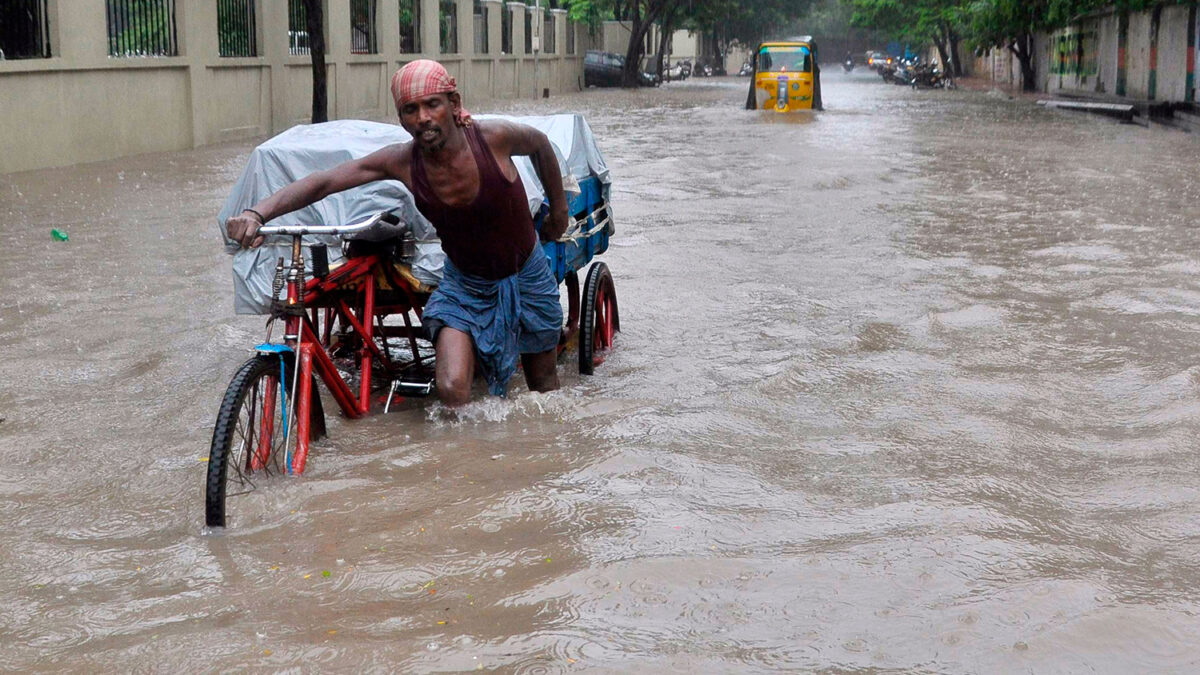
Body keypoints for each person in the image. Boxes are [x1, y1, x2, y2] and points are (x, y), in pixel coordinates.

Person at [226, 60, 569, 406]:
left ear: (453, 104)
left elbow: (540, 145)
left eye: (432, 104)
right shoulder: (403, 161)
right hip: (465, 285)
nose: (422, 118)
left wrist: (559, 212)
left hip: (525, 273)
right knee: (451, 390)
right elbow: (325, 181)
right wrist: (257, 212)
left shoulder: (493, 138)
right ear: (401, 119)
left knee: (542, 386)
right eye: (410, 110)